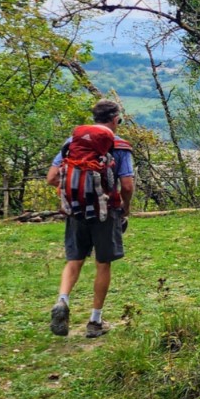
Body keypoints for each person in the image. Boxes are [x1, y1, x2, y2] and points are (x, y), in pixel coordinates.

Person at [46, 99, 134, 338]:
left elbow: (52, 177)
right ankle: (95, 322)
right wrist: (125, 207)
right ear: (115, 120)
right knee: (102, 263)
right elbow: (126, 184)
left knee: (74, 259)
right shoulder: (120, 146)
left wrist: (75, 193)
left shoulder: (72, 142)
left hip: (76, 210)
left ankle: (62, 300)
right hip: (106, 212)